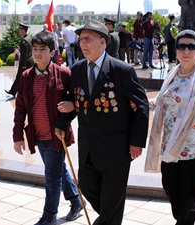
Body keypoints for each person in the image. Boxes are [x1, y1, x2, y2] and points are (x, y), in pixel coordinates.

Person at [56, 19, 149, 225]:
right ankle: (109, 217)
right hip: (88, 147)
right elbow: (76, 98)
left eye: (88, 39)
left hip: (115, 149)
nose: (83, 43)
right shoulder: (78, 69)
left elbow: (141, 106)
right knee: (88, 187)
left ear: (103, 42)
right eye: (81, 39)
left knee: (112, 202)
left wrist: (137, 141)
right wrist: (63, 122)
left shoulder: (121, 70)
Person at [144, 29, 195, 225]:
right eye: (181, 46)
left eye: (191, 46)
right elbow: (162, 102)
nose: (186, 50)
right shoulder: (172, 75)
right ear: (176, 50)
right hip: (170, 151)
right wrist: (141, 104)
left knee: (187, 204)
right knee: (172, 193)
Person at [12, 31, 82, 225]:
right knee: (58, 170)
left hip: (56, 135)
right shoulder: (26, 76)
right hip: (37, 135)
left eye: (42, 49)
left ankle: (49, 217)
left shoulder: (64, 74)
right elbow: (20, 108)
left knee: (52, 177)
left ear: (52, 52)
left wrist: (68, 112)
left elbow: (76, 99)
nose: (37, 53)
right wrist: (17, 135)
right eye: (35, 49)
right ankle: (76, 202)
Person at [5, 22, 34, 97]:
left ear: (24, 30)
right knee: (28, 78)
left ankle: (13, 91)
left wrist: (23, 65)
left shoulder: (24, 40)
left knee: (19, 78)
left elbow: (24, 54)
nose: (19, 30)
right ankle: (14, 91)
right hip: (30, 61)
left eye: (20, 29)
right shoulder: (29, 39)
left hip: (25, 63)